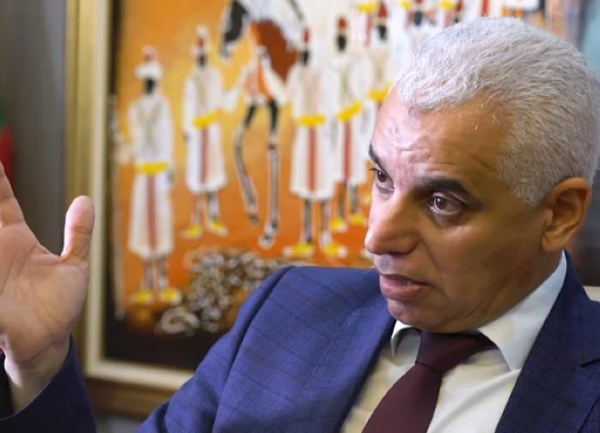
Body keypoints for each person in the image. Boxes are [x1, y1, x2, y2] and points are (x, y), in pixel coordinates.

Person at [1, 17, 600, 433]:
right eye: (381, 178)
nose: (376, 238)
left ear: (560, 214)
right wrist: (40, 362)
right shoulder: (287, 311)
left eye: (442, 202)